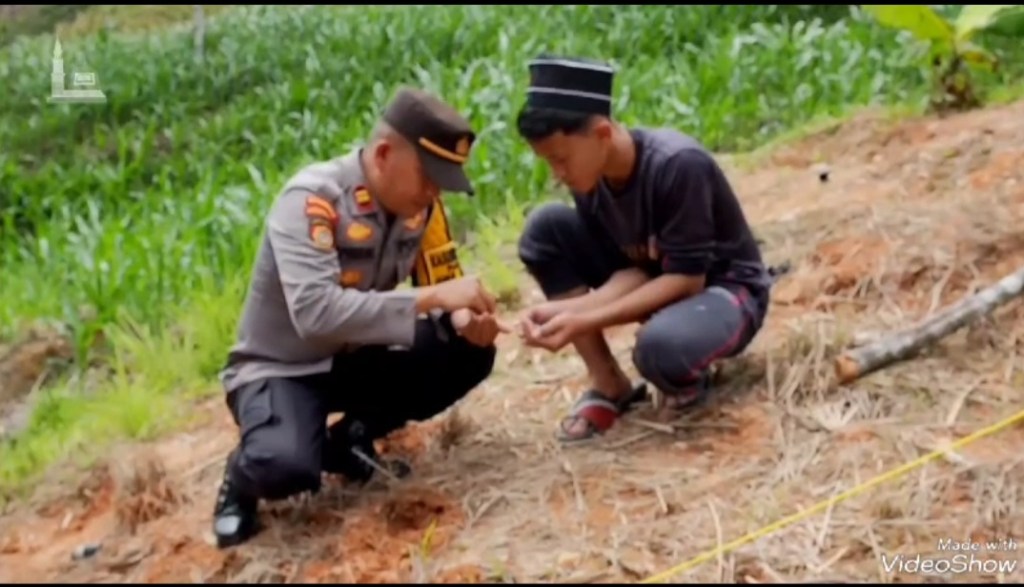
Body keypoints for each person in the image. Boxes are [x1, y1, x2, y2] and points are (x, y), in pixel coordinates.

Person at [211, 87, 505, 548]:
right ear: (385, 154)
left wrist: (471, 323)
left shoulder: (422, 209)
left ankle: (348, 440)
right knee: (285, 468)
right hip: (281, 368)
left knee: (466, 352)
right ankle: (241, 477)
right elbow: (317, 315)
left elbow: (445, 285)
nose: (434, 192)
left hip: (355, 357)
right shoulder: (313, 202)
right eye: (428, 177)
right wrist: (433, 298)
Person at [514, 54, 774, 443]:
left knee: (659, 349)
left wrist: (583, 320)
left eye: (560, 159)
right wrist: (569, 310)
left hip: (723, 292)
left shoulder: (677, 165)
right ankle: (609, 385)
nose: (557, 174)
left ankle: (685, 381)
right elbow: (632, 270)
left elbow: (686, 280)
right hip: (658, 281)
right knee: (545, 227)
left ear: (602, 134)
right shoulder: (592, 178)